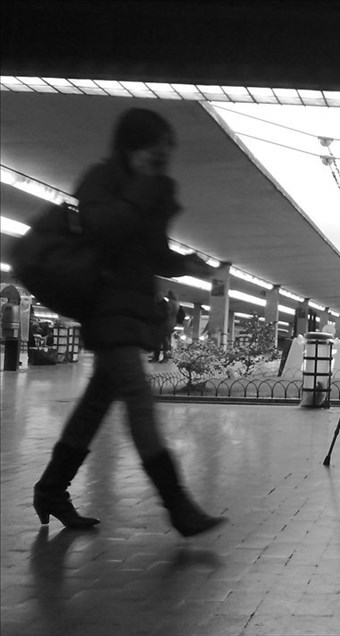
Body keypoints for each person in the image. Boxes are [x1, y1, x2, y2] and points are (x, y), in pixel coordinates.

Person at [33, 108, 226, 536]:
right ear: (134, 144)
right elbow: (100, 229)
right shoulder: (102, 178)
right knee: (138, 397)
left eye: (165, 152)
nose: (163, 157)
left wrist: (184, 264)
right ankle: (177, 505)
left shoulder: (153, 187)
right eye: (156, 147)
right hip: (104, 306)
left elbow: (151, 252)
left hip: (132, 309)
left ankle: (51, 489)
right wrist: (141, 185)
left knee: (95, 405)